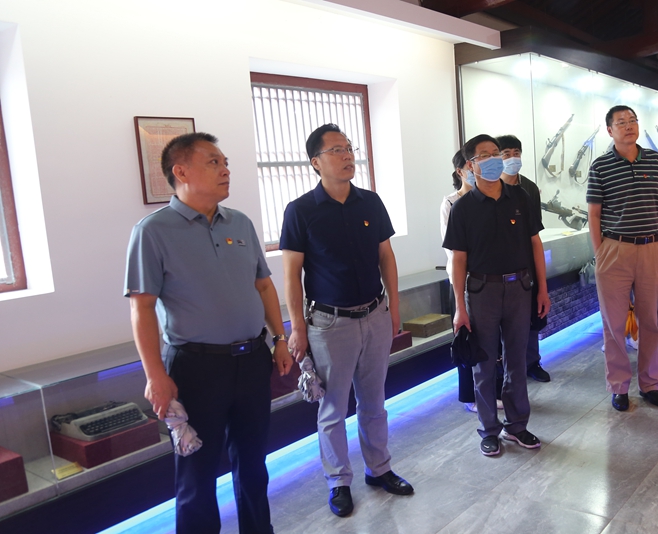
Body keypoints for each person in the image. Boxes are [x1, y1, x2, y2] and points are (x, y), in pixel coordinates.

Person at [125, 132, 293, 534]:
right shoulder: (153, 231)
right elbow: (141, 308)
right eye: (213, 162)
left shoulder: (240, 222)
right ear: (181, 172)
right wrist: (155, 375)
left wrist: (280, 339)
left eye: (225, 162)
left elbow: (263, 285)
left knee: (253, 464)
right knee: (196, 474)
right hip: (195, 367)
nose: (225, 169)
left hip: (251, 360)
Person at [281, 124, 412, 518]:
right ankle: (338, 481)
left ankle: (379, 468)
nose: (347, 155)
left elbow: (386, 256)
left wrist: (394, 307)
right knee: (333, 409)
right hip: (329, 324)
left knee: (374, 401)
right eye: (336, 150)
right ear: (315, 162)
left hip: (374, 315)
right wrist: (297, 328)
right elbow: (292, 275)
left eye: (349, 148)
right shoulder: (300, 211)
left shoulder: (370, 202)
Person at [443, 134, 551, 457]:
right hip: (482, 292)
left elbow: (535, 244)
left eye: (496, 153)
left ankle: (517, 425)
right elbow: (458, 260)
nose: (494, 159)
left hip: (520, 288)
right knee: (484, 364)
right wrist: (459, 307)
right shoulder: (462, 208)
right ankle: (489, 429)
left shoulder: (520, 198)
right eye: (485, 155)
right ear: (471, 165)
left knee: (517, 359)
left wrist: (542, 289)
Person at [587, 105, 658, 411]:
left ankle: (650, 383)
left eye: (633, 121)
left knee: (650, 321)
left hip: (651, 248)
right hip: (615, 249)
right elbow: (594, 213)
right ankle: (619, 386)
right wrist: (600, 253)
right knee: (614, 324)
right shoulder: (601, 166)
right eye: (621, 122)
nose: (629, 126)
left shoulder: (653, 159)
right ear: (610, 130)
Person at [497, 134, 550, 383]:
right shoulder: (490, 186)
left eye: (516, 153)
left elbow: (534, 232)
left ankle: (532, 362)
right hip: (498, 266)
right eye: (506, 154)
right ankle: (504, 368)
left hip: (526, 262)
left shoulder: (529, 188)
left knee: (531, 315)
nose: (512, 158)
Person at [441, 151, 479, 413]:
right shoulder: (451, 202)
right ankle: (469, 396)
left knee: (490, 340)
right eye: (469, 164)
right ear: (460, 171)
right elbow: (451, 248)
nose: (473, 168)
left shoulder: (487, 198)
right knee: (466, 337)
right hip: (462, 280)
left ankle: (491, 390)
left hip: (487, 280)